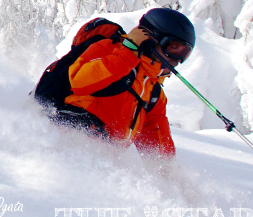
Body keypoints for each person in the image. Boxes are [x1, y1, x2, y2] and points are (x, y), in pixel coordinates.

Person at [58, 8, 196, 159]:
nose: (177, 60)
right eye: (174, 48)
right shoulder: (110, 50)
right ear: (151, 38)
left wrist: (170, 178)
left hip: (100, 158)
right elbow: (79, 81)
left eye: (185, 53)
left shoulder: (153, 92)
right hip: (63, 137)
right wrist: (129, 53)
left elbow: (159, 152)